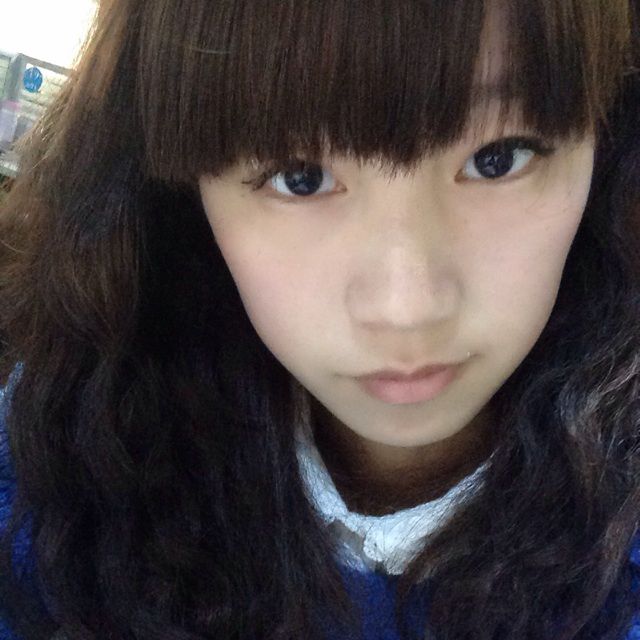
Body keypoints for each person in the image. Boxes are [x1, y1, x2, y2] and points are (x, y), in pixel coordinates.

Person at [0, 0, 639, 638]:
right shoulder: (63, 447)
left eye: (498, 157)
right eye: (300, 177)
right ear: (182, 192)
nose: (405, 309)